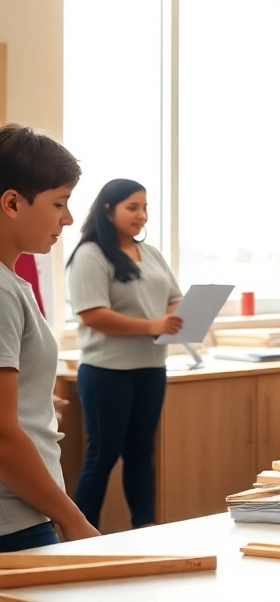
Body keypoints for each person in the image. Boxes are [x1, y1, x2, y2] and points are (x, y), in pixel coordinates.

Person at [0, 123, 98, 550]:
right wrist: (72, 519)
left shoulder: (12, 283)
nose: (68, 218)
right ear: (12, 203)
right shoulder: (2, 291)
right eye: (59, 203)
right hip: (14, 517)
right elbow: (3, 435)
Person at [65, 179, 183, 529]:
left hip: (151, 368)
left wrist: (177, 316)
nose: (141, 215)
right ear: (107, 209)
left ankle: (144, 531)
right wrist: (151, 325)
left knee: (141, 455)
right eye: (133, 207)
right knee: (102, 457)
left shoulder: (150, 253)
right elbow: (92, 313)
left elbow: (173, 296)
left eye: (145, 208)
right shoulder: (90, 254)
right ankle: (81, 537)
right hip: (106, 371)